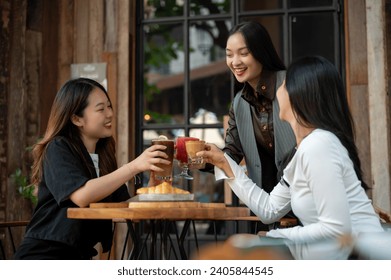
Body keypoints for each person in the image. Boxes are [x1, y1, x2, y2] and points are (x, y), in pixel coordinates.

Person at [198, 56, 384, 259]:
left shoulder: (319, 145)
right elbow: (269, 209)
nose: (277, 90)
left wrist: (273, 239)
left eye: (284, 84)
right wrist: (224, 162)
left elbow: (336, 231)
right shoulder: (304, 150)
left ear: (300, 95)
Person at [14, 78, 170, 260]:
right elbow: (81, 196)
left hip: (78, 257)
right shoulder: (57, 148)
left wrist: (151, 193)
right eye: (101, 109)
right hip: (43, 256)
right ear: (76, 118)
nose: (110, 114)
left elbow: (122, 209)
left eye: (109, 107)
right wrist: (134, 166)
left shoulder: (102, 156)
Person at [223, 21, 295, 194]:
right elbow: (232, 153)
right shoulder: (239, 102)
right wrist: (201, 158)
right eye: (229, 55)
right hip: (267, 204)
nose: (235, 62)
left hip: (306, 197)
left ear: (261, 52)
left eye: (244, 53)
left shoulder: (291, 84)